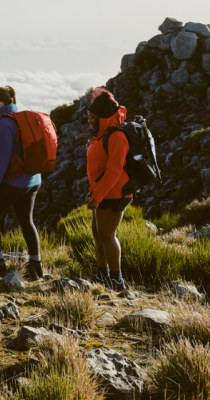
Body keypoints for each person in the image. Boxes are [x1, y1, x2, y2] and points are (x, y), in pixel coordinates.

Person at [0, 86, 44, 280]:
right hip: (33, 179)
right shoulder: (22, 118)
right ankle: (36, 266)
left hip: (15, 182)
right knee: (26, 221)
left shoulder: (4, 124)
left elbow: (1, 160)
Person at [85, 88, 132, 292]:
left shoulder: (116, 136)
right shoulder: (102, 133)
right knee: (97, 233)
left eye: (92, 116)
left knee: (107, 234)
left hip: (114, 193)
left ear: (102, 116)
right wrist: (92, 191)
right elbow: (99, 166)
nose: (89, 120)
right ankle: (101, 274)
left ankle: (117, 280)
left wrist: (98, 196)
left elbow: (114, 170)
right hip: (102, 192)